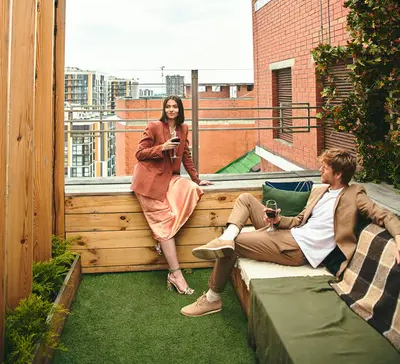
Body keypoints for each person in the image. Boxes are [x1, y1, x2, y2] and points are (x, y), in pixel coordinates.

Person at [181, 149, 400, 317]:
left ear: (338, 173)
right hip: (290, 234)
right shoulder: (321, 191)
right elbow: (298, 221)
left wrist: (398, 238)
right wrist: (277, 219)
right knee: (246, 199)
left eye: (325, 167)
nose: (320, 169)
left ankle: (212, 298)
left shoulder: (355, 194)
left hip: (297, 249)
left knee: (234, 245)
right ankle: (226, 236)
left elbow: (386, 216)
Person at [131, 95, 212, 295]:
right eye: (168, 106)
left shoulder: (183, 129)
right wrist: (162, 148)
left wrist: (197, 178)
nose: (171, 110)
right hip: (149, 181)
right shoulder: (154, 126)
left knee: (192, 190)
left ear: (180, 109)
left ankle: (161, 238)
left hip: (169, 178)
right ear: (164, 109)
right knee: (165, 223)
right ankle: (176, 274)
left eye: (175, 106)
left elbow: (186, 156)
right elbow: (140, 153)